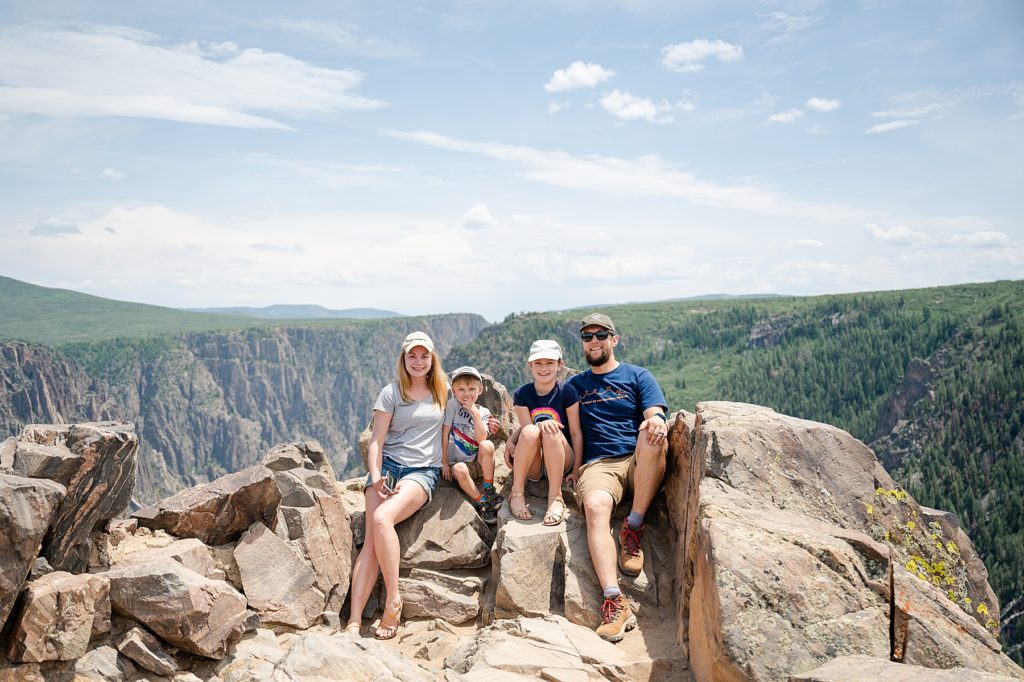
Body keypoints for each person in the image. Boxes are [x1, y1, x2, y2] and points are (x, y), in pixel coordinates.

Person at [568, 313, 669, 643]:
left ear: (614, 339)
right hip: (599, 465)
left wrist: (654, 420)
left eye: (601, 335)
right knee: (595, 507)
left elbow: (654, 411)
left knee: (653, 434)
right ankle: (614, 600)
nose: (594, 341)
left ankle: (633, 527)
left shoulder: (638, 376)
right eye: (587, 336)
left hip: (637, 458)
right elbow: (549, 414)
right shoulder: (575, 386)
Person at [345, 331, 448, 640]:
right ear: (403, 359)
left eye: (424, 356)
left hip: (422, 471)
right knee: (372, 547)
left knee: (381, 519)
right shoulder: (391, 393)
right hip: (388, 467)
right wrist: (375, 476)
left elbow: (467, 415)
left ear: (432, 359)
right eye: (412, 356)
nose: (418, 361)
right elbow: (376, 441)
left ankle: (393, 599)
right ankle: (353, 622)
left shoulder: (443, 392)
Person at [505, 339, 583, 525]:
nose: (544, 368)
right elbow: (526, 430)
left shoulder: (567, 392)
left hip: (561, 459)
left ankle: (555, 497)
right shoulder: (522, 394)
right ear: (530, 365)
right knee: (532, 430)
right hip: (535, 461)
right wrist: (512, 440)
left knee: (551, 431)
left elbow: (575, 433)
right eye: (538, 363)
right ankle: (517, 493)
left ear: (559, 365)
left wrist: (576, 469)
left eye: (549, 363)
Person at [441, 365, 503, 525]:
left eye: (471, 389)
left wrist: (474, 413)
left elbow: (482, 438)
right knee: (459, 469)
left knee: (488, 445)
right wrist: (444, 462)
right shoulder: (452, 406)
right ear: (453, 391)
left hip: (478, 462)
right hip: (460, 464)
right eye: (461, 389)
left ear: (480, 390)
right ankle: (482, 501)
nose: (466, 394)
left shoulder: (483, 412)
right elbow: (445, 432)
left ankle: (489, 489)